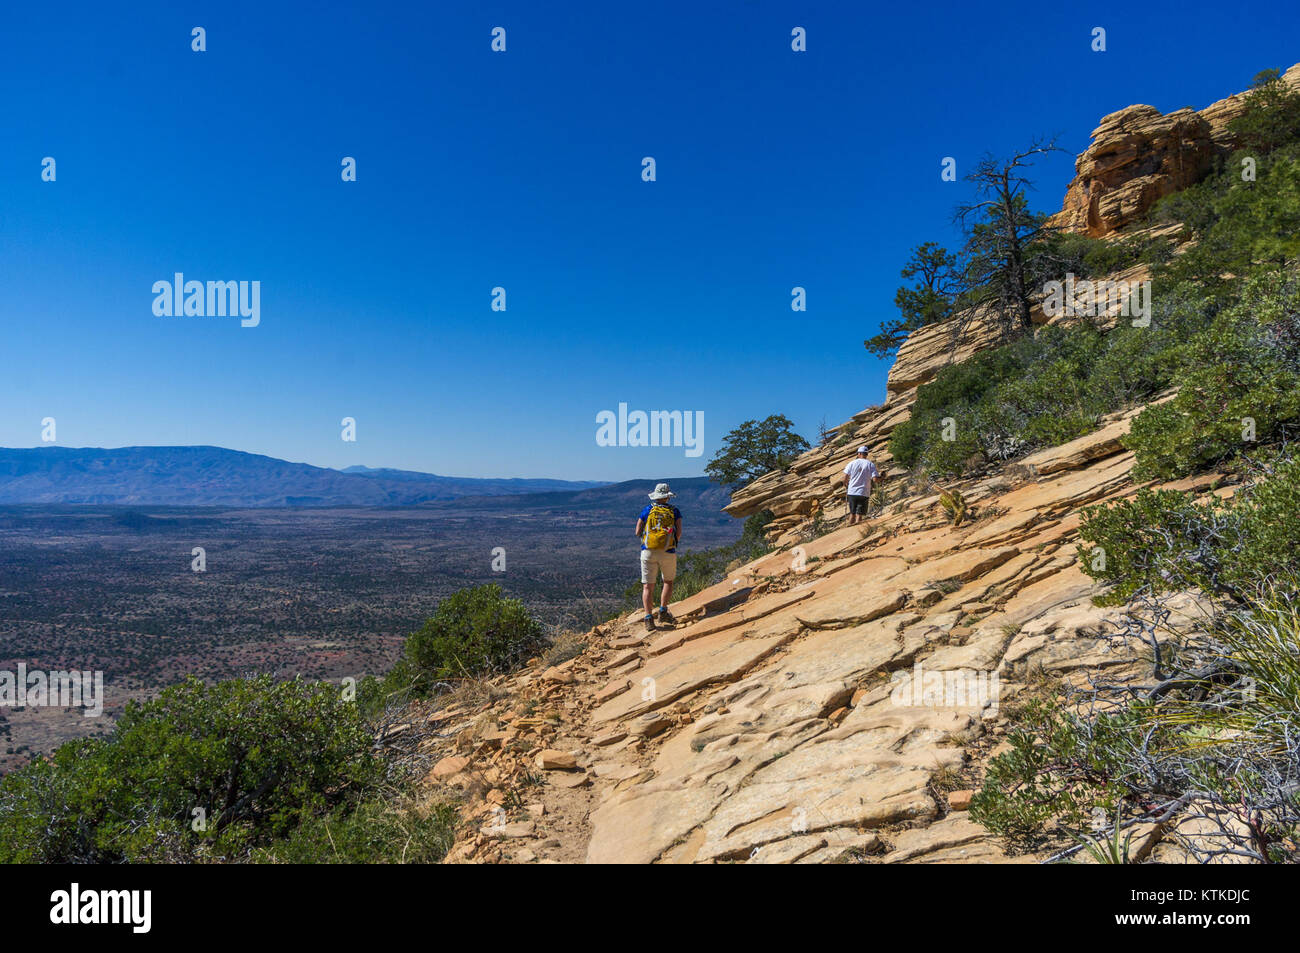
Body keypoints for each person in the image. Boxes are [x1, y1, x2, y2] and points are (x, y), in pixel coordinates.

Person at [635, 483, 683, 632]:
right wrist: (670, 542)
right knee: (667, 581)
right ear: (668, 496)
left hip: (648, 551)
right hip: (668, 551)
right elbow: (679, 532)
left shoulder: (648, 510)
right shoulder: (675, 511)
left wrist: (649, 540)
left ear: (655, 496)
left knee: (648, 586)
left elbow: (637, 531)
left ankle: (649, 618)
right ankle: (663, 612)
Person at [840, 446, 881, 525]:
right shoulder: (870, 464)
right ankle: (858, 533)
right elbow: (875, 480)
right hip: (864, 492)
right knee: (859, 514)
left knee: (852, 513)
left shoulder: (851, 463)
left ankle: (849, 531)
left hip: (852, 492)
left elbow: (845, 478)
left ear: (859, 454)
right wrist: (882, 478)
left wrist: (845, 485)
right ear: (866, 454)